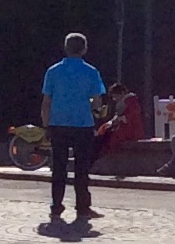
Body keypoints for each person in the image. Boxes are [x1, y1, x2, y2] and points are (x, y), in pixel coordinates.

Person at [40, 32, 106, 222]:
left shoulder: (53, 71)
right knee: (82, 167)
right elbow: (97, 100)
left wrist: (46, 125)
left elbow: (46, 101)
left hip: (58, 123)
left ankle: (56, 206)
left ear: (65, 48)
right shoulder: (91, 71)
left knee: (58, 167)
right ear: (84, 49)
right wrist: (95, 113)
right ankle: (83, 207)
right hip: (82, 124)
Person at [96, 82, 143, 159]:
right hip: (125, 127)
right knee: (104, 128)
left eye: (116, 96)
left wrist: (120, 119)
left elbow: (133, 116)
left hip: (132, 129)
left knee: (113, 136)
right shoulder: (123, 103)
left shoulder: (131, 101)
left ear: (122, 93)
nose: (115, 99)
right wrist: (111, 122)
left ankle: (109, 154)